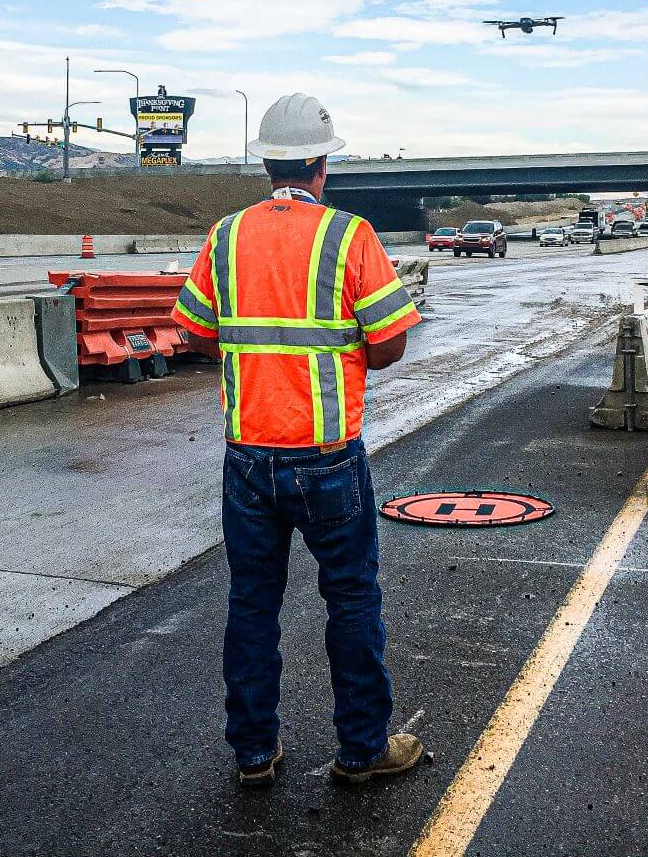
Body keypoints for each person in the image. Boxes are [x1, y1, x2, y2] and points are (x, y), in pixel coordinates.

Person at [171, 93, 425, 788]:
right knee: (350, 599)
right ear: (322, 164)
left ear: (266, 163)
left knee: (251, 603)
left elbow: (192, 333)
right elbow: (392, 340)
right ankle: (362, 748)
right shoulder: (349, 235)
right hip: (327, 457)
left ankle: (255, 752)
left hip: (247, 457)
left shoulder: (226, 235)